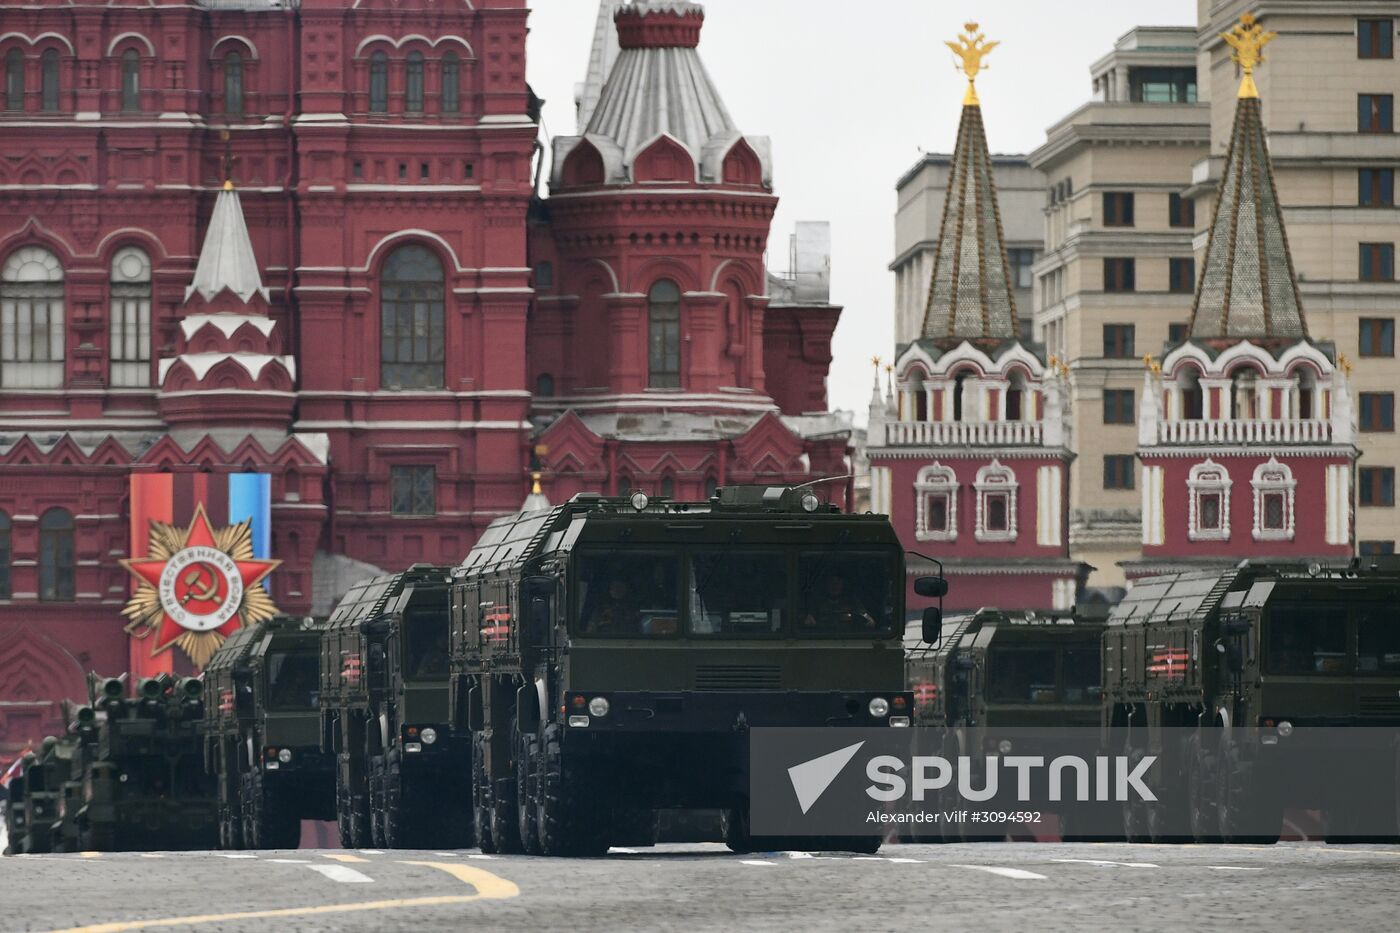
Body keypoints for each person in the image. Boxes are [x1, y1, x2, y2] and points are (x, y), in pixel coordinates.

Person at [802, 575, 875, 630]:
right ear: (826, 584)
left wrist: (869, 619)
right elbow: (809, 618)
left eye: (838, 582)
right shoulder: (817, 602)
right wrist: (809, 620)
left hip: (848, 638)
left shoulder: (852, 602)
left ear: (843, 584)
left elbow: (864, 615)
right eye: (831, 582)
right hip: (822, 638)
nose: (835, 586)